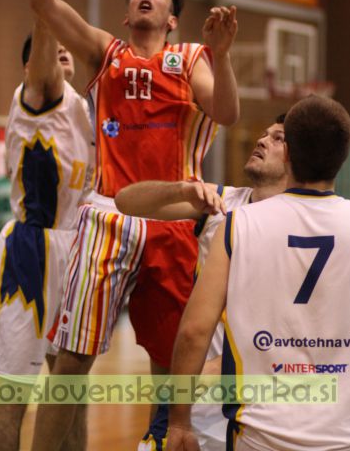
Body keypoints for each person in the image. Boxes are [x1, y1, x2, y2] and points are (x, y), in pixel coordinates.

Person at [24, 0, 240, 451]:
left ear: (172, 19)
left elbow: (226, 112)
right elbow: (44, 1)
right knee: (71, 361)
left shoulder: (191, 56)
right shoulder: (105, 51)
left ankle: (160, 440)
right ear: (126, 14)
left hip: (175, 219)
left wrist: (221, 57)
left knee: (170, 360)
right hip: (108, 216)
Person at [167, 95, 350, 451]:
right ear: (343, 157)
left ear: (289, 154)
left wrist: (179, 420)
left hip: (259, 436)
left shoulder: (238, 223)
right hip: (347, 437)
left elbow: (195, 331)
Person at [115, 115, 287, 451]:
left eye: (278, 137)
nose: (262, 140)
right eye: (264, 133)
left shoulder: (306, 224)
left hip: (260, 399)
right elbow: (124, 201)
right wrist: (180, 188)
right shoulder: (219, 203)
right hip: (196, 394)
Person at [0, 0, 93, 451]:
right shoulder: (37, 92)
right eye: (54, 52)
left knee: (70, 393)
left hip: (76, 253)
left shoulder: (83, 109)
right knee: (15, 396)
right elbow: (45, 22)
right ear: (33, 67)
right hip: (32, 251)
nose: (62, 57)